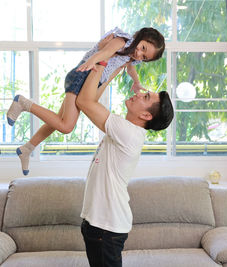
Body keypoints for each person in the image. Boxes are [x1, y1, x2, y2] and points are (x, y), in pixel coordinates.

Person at [6, 27, 165, 175]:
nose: (139, 54)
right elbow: (106, 52)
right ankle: (23, 103)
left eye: (144, 57)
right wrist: (91, 62)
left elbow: (130, 68)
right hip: (83, 75)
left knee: (58, 121)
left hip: (92, 82)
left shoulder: (132, 57)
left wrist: (136, 82)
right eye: (143, 48)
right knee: (66, 126)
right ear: (140, 37)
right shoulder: (123, 41)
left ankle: (27, 148)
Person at [76, 58, 174, 267]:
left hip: (106, 228)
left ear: (146, 114)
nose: (139, 93)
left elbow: (84, 102)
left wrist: (104, 62)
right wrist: (117, 68)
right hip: (99, 224)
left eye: (145, 96)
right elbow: (91, 100)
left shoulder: (128, 132)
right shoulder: (124, 129)